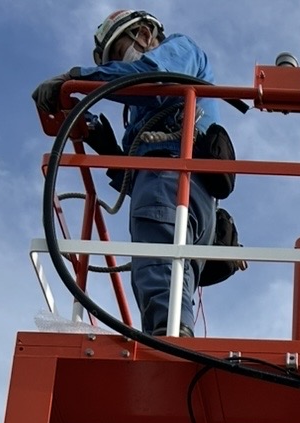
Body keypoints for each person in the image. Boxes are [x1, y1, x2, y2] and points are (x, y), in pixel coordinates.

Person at [32, 10, 218, 337]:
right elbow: (136, 176)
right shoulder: (143, 110)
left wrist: (77, 76)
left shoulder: (179, 49)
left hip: (173, 180)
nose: (120, 63)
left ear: (144, 35)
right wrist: (105, 146)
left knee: (159, 260)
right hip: (173, 186)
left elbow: (152, 77)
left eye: (119, 53)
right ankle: (169, 330)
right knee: (163, 262)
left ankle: (169, 337)